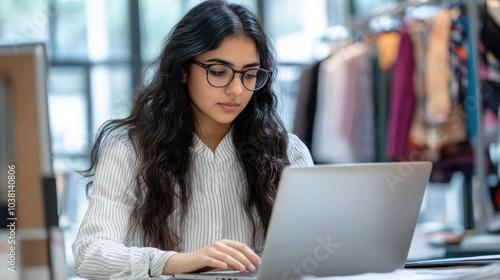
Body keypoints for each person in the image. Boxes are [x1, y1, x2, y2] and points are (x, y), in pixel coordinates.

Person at [72, 0, 314, 278]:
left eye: (249, 74)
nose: (236, 89)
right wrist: (176, 262)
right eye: (219, 72)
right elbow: (89, 254)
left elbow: (316, 251)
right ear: (184, 70)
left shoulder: (288, 153)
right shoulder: (129, 152)